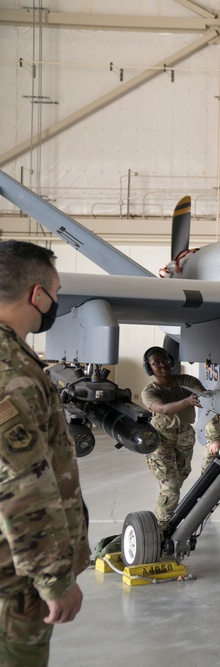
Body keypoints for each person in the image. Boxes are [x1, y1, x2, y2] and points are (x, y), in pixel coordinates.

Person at [0, 240, 90, 665]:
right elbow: (20, 485)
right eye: (55, 292)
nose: (56, 303)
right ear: (37, 294)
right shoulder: (11, 371)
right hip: (11, 583)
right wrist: (54, 580)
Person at [140, 346, 205, 529]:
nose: (162, 365)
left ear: (171, 360)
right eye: (156, 363)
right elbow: (163, 409)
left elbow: (201, 392)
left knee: (181, 476)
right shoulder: (149, 391)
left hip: (185, 435)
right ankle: (162, 526)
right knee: (171, 486)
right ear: (149, 368)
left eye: (165, 360)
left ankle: (166, 510)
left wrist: (203, 395)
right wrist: (187, 401)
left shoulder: (186, 380)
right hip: (162, 438)